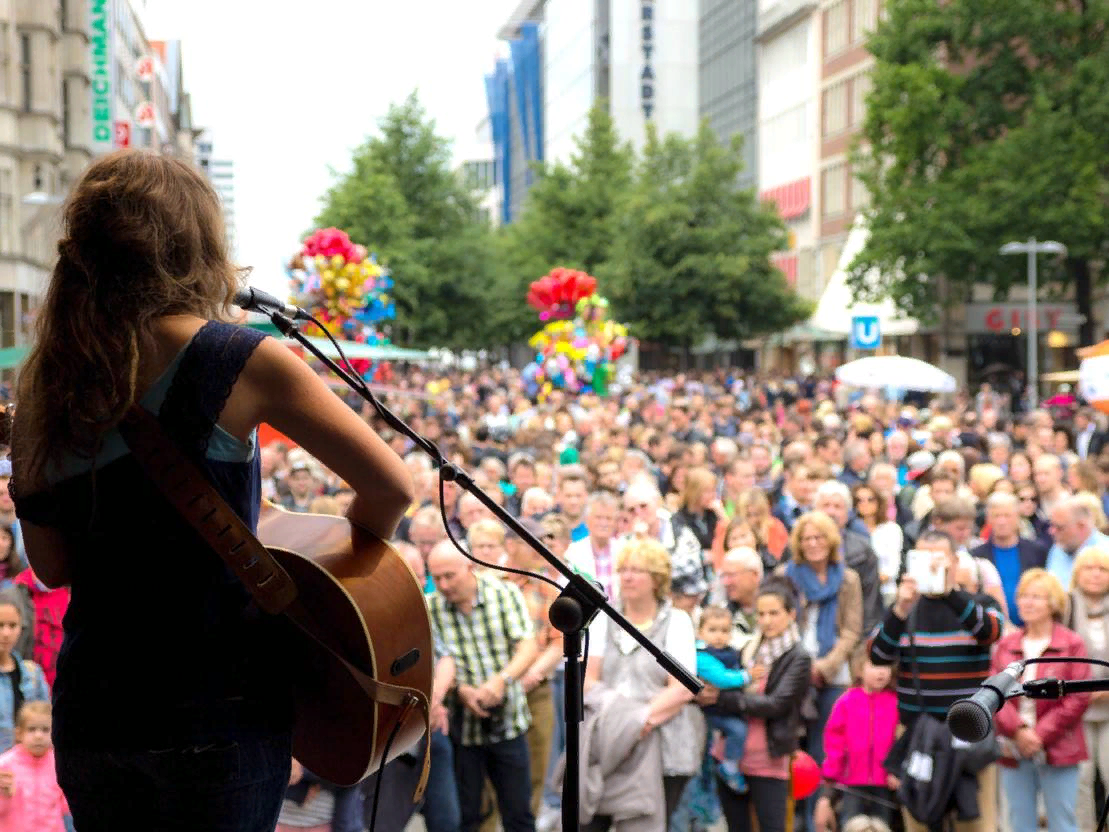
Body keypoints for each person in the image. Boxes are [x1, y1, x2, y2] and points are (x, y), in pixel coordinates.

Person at [7, 150, 414, 830]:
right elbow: (392, 488)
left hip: (96, 708)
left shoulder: (47, 387)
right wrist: (332, 583)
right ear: (194, 243)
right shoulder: (238, 357)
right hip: (219, 702)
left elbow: (51, 566)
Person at [869, 530, 1004, 832]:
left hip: (969, 732)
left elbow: (991, 631)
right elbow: (877, 655)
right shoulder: (904, 610)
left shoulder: (976, 602)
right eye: (922, 558)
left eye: (938, 558)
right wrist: (900, 609)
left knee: (976, 821)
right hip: (919, 731)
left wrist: (950, 593)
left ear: (955, 561)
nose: (930, 566)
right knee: (919, 817)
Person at [696, 578, 813, 832]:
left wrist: (721, 699)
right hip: (729, 756)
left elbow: (776, 704)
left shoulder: (798, 657)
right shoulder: (749, 647)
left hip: (768, 759)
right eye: (761, 614)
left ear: (791, 614)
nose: (767, 620)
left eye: (774, 613)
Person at [993, 569, 1090, 832]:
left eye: (1036, 596)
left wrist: (1039, 735)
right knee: (1020, 823)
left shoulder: (1072, 644)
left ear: (1053, 603)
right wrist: (1020, 732)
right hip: (1014, 747)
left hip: (1059, 745)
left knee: (1063, 822)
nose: (1027, 602)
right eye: (1023, 595)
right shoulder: (1007, 644)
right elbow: (995, 694)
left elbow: (1078, 697)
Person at [695, 606, 751, 794]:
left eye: (724, 630)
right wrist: (746, 676)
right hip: (712, 711)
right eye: (713, 630)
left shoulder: (731, 652)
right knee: (738, 730)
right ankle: (729, 767)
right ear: (700, 632)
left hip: (728, 707)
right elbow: (722, 678)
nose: (719, 636)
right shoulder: (702, 656)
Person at [0, 701, 68, 832]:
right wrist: (2, 794)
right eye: (31, 729)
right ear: (19, 733)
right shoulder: (5, 765)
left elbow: (67, 807)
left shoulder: (59, 764)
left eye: (45, 730)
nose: (38, 736)